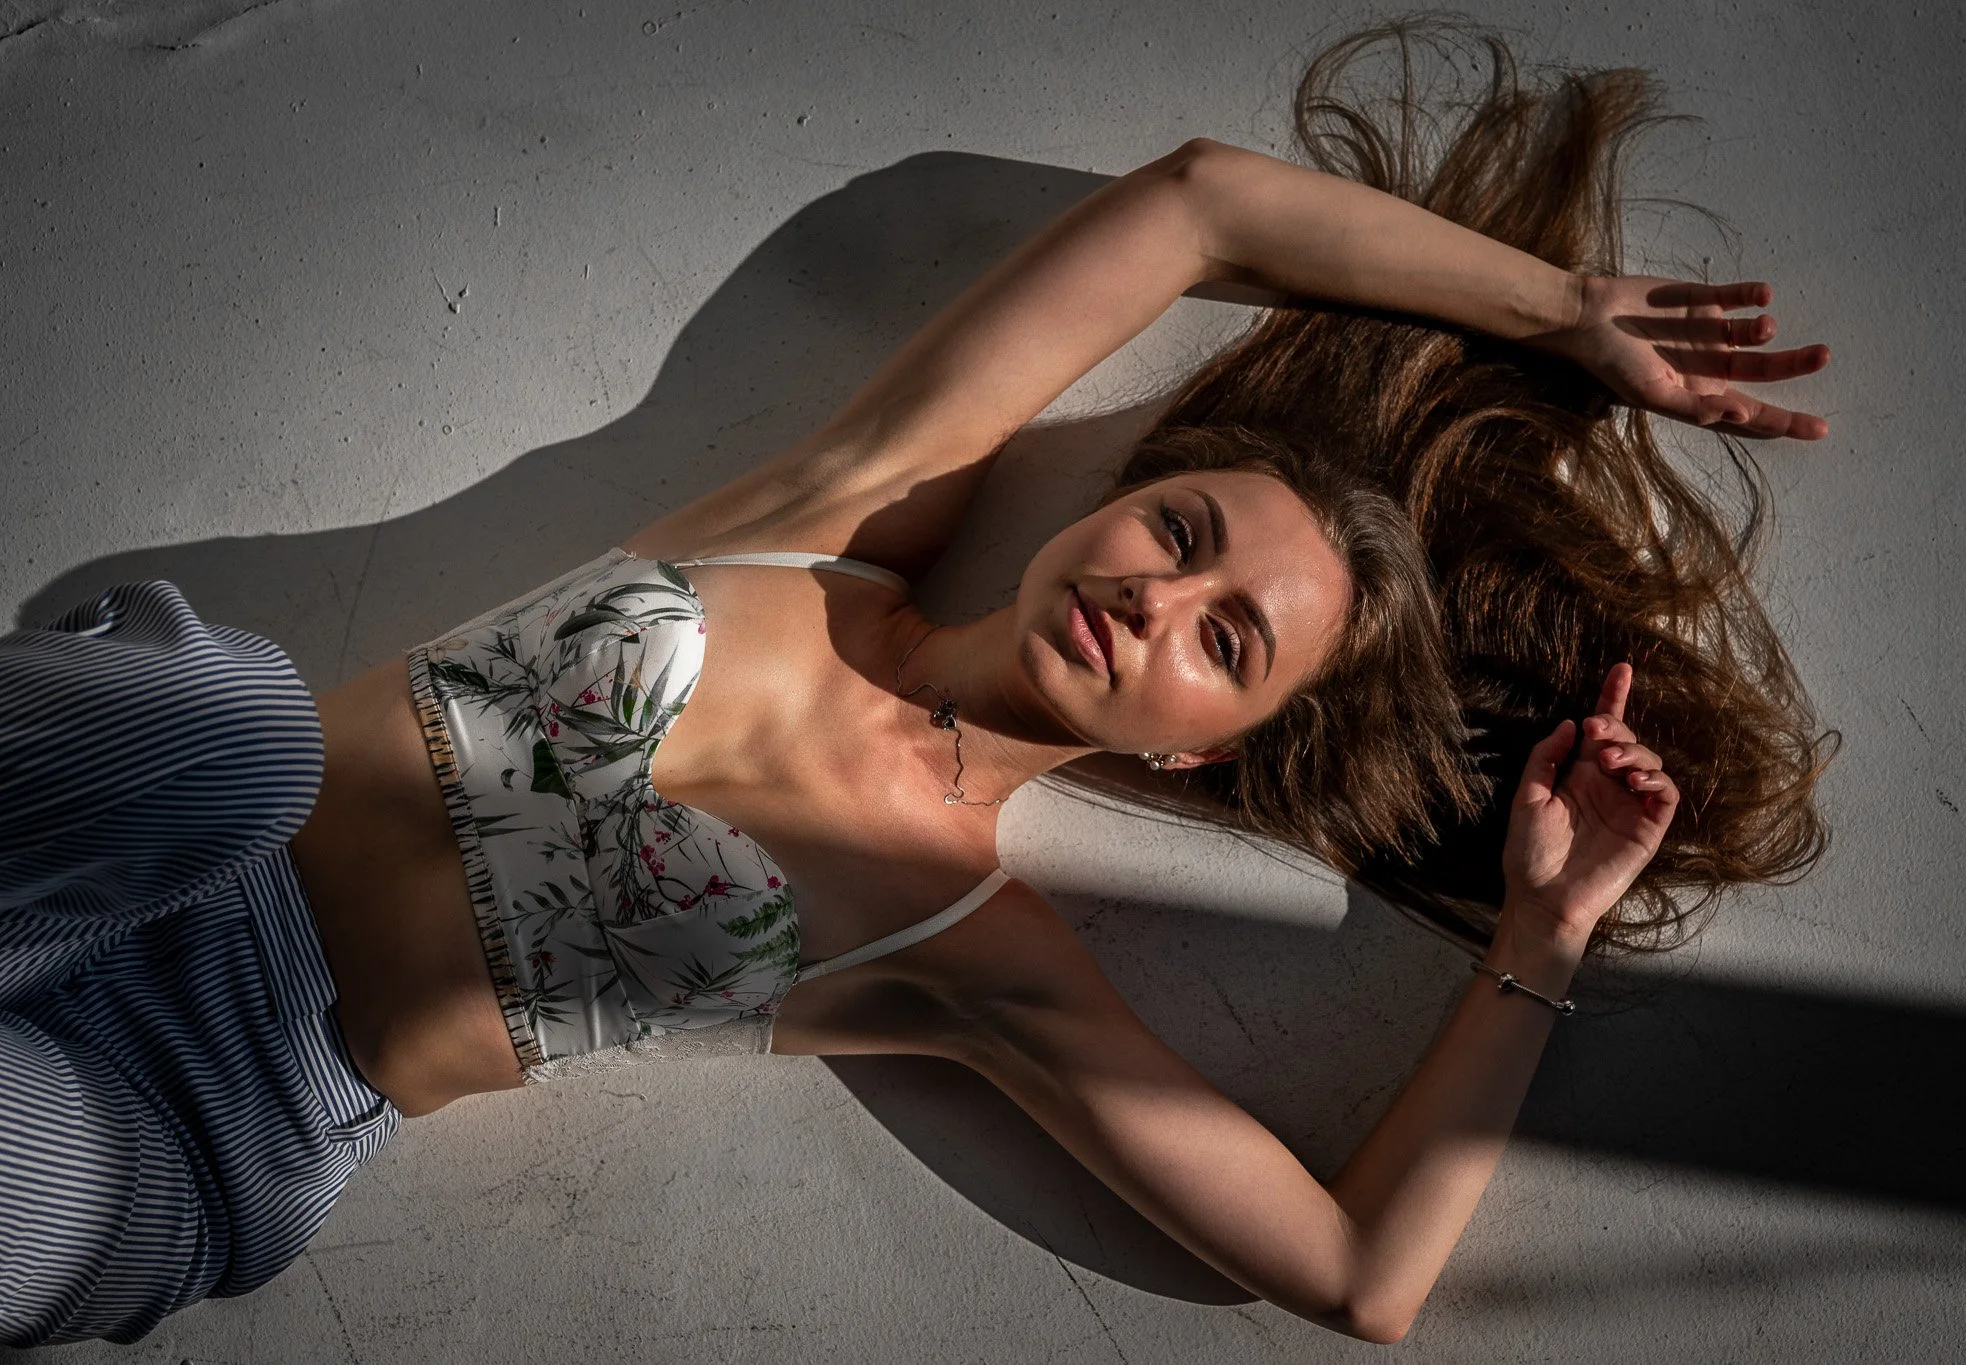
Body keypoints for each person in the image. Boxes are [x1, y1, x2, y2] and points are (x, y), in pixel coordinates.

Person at [0, 17, 1834, 1348]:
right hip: (129, 811)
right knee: (235, 735)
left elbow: (1365, 1280)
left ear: (1202, 758)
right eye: (1182, 532)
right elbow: (1198, 205)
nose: (1157, 598)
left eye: (1225, 643)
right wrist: (1554, 310)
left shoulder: (973, 952)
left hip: (211, 1107)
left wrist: (1543, 931)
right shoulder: (839, 520)